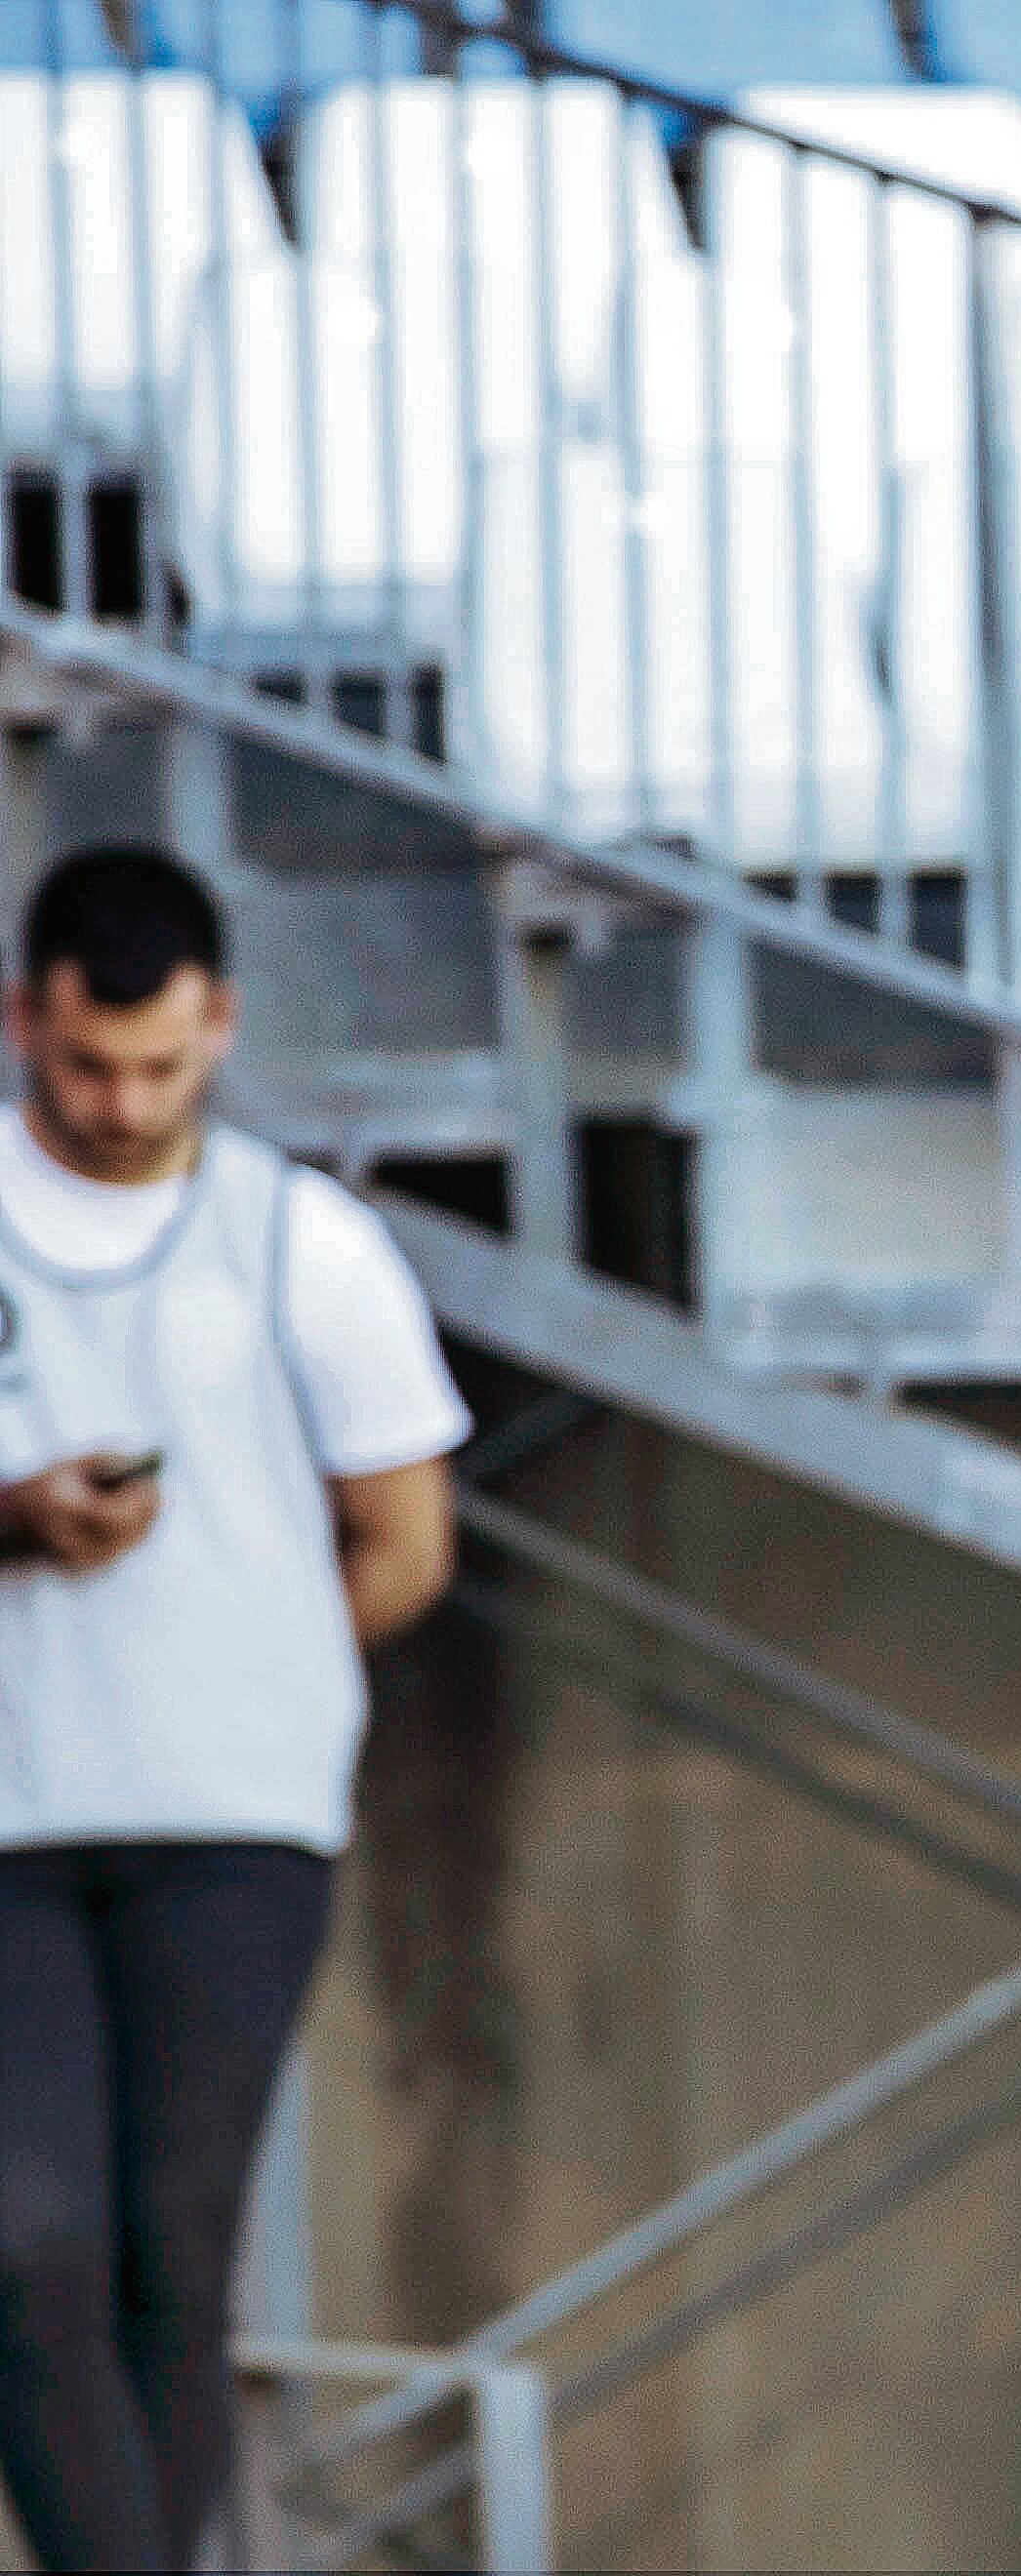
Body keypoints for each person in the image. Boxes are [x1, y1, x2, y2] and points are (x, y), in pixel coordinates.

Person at [0, 846, 467, 2574]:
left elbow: (405, 1541)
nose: (122, 1104)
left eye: (160, 1067)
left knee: (167, 2254)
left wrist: (248, 1661)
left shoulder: (303, 1242)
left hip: (233, 1823)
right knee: (25, 2243)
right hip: (14, 1823)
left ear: (221, 1029)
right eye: (84, 1068)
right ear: (24, 1023)